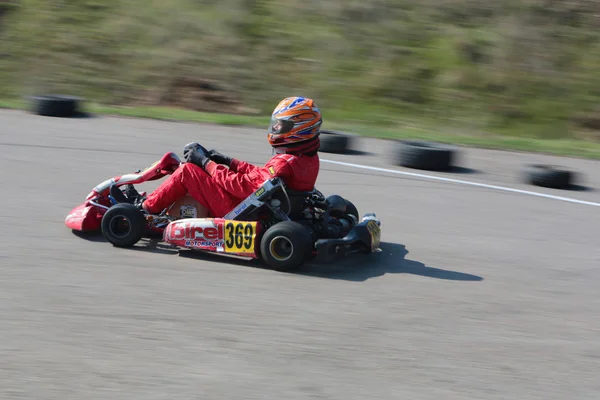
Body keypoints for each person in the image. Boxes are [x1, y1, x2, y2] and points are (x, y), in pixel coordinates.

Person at [137, 96, 322, 218]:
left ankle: (145, 210)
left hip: (239, 211)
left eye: (281, 125)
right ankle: (162, 203)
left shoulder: (285, 163)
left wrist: (206, 163)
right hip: (260, 207)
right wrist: (227, 161)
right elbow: (260, 177)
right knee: (202, 171)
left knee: (188, 171)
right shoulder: (305, 158)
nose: (275, 129)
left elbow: (242, 187)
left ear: (299, 129)